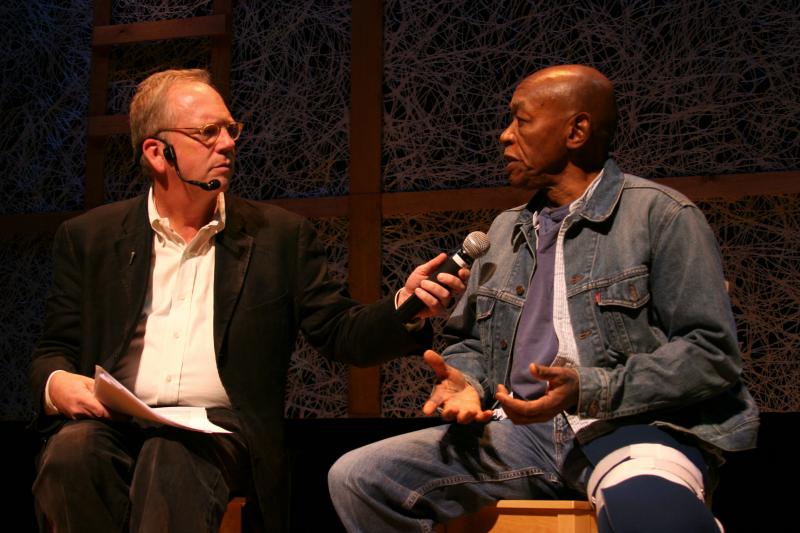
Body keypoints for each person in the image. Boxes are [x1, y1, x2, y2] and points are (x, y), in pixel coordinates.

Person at [29, 68, 467, 533]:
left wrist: (405, 305)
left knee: (171, 455)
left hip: (218, 432)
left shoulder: (278, 236)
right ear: (158, 153)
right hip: (114, 421)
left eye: (230, 129)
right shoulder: (89, 238)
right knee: (70, 454)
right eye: (207, 133)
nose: (228, 144)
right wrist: (58, 383)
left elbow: (341, 333)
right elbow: (54, 347)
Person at [328, 64, 759, 532]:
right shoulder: (503, 230)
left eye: (521, 120)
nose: (504, 136)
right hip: (520, 434)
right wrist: (467, 383)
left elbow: (711, 355)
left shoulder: (662, 216)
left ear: (576, 130)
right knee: (359, 477)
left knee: (651, 514)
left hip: (633, 428)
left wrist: (588, 389)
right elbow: (470, 344)